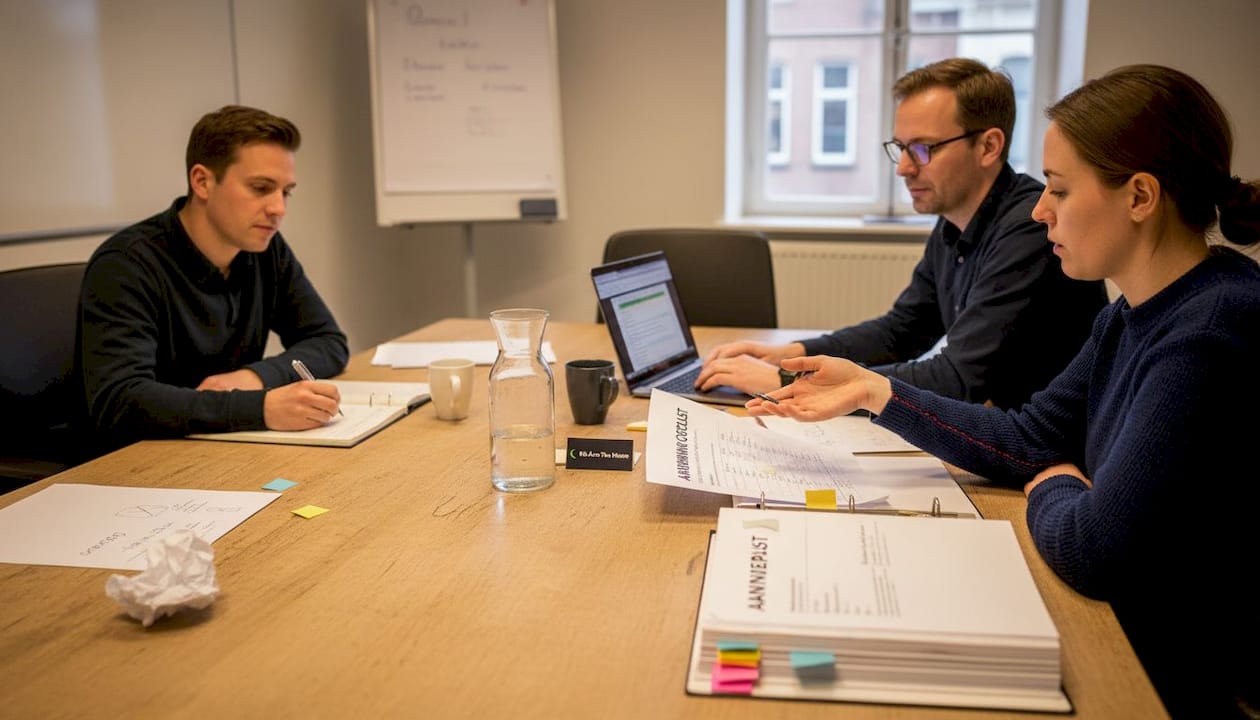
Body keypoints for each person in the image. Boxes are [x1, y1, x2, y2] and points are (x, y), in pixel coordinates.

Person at [747, 64, 1260, 719]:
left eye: (1060, 189)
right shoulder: (1128, 314)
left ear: (1139, 197)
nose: (1041, 208)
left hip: (1174, 675)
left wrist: (1051, 483)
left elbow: (1094, 547)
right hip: (1130, 630)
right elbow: (1031, 437)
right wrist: (874, 392)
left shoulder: (1213, 328)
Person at [698, 58, 1109, 409]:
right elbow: (903, 330)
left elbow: (956, 380)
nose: (904, 168)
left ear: (988, 146)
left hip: (1047, 455)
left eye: (924, 149)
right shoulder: (956, 218)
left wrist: (788, 386)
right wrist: (796, 355)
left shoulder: (1028, 228)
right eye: (900, 148)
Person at [77, 105, 350, 456]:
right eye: (261, 188)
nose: (278, 208)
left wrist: (255, 379)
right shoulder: (125, 265)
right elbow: (119, 400)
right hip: (138, 464)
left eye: (285, 191)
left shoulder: (265, 249)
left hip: (224, 448)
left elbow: (328, 340)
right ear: (203, 182)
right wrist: (260, 408)